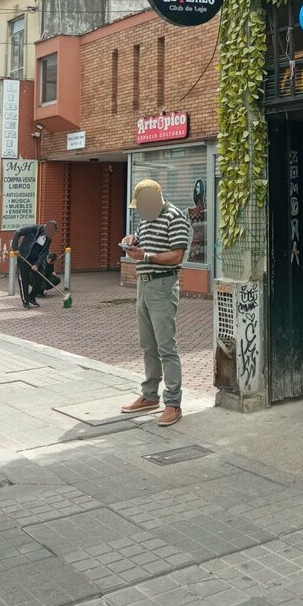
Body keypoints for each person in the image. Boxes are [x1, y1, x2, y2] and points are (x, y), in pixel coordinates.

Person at [120, 179, 190, 426]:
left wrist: (146, 255)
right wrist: (132, 240)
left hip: (163, 283)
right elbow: (142, 240)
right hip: (144, 282)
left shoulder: (175, 216)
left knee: (166, 346)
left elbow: (177, 255)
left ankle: (173, 403)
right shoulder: (146, 217)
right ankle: (150, 395)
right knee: (148, 344)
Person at [10, 220, 59, 310]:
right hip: (24, 258)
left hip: (35, 260)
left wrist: (37, 264)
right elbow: (18, 232)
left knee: (41, 277)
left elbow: (45, 252)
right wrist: (15, 248)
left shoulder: (48, 238)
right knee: (24, 281)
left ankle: (32, 297)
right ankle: (25, 301)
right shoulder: (34, 229)